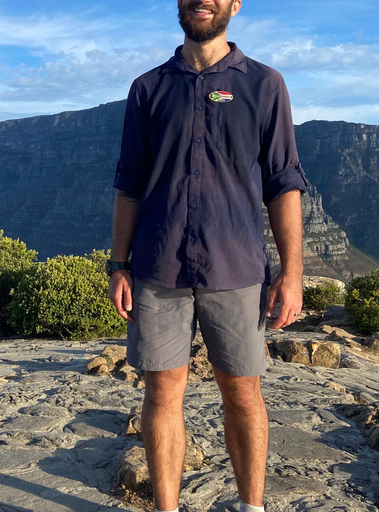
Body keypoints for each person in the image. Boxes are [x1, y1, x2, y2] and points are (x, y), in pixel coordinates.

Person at [106, 1, 308, 511]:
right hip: (158, 267)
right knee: (161, 395)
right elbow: (128, 184)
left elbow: (284, 182)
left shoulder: (265, 85)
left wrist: (293, 273)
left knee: (243, 394)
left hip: (236, 268)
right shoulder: (147, 88)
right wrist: (118, 264)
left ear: (235, 4)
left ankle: (250, 506)